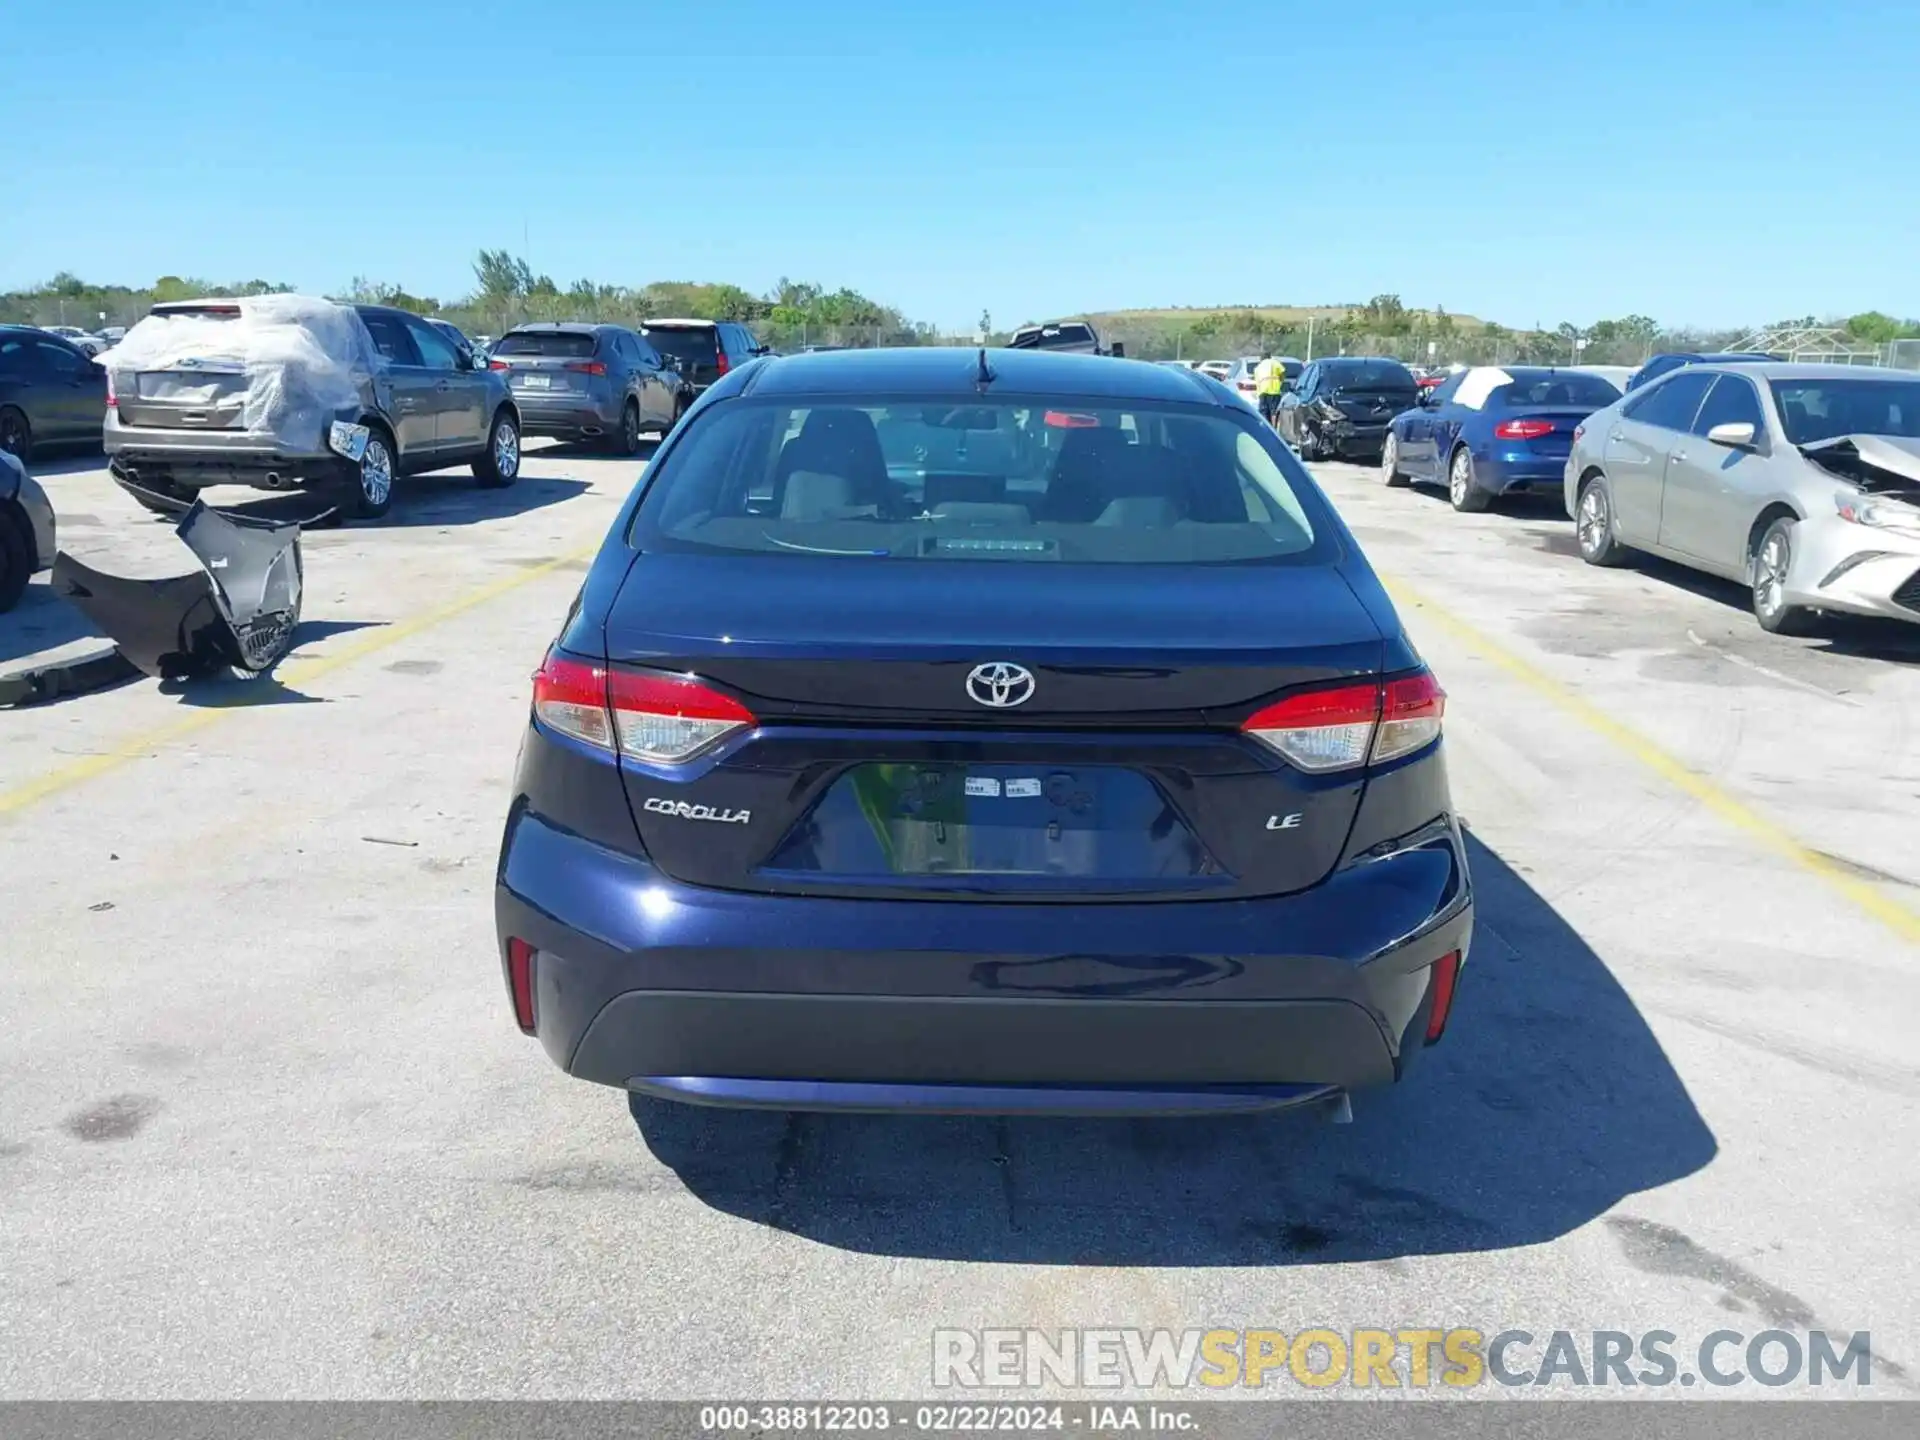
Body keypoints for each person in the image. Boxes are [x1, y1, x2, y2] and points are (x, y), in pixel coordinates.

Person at [1254, 352, 1287, 425]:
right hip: (1274, 391)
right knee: (1274, 412)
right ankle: (1274, 429)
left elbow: (1257, 382)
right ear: (1269, 357)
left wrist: (1258, 394)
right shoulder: (1274, 362)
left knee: (1264, 411)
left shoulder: (1258, 367)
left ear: (1261, 358)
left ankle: (1266, 428)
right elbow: (1282, 372)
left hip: (1262, 392)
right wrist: (1281, 381)